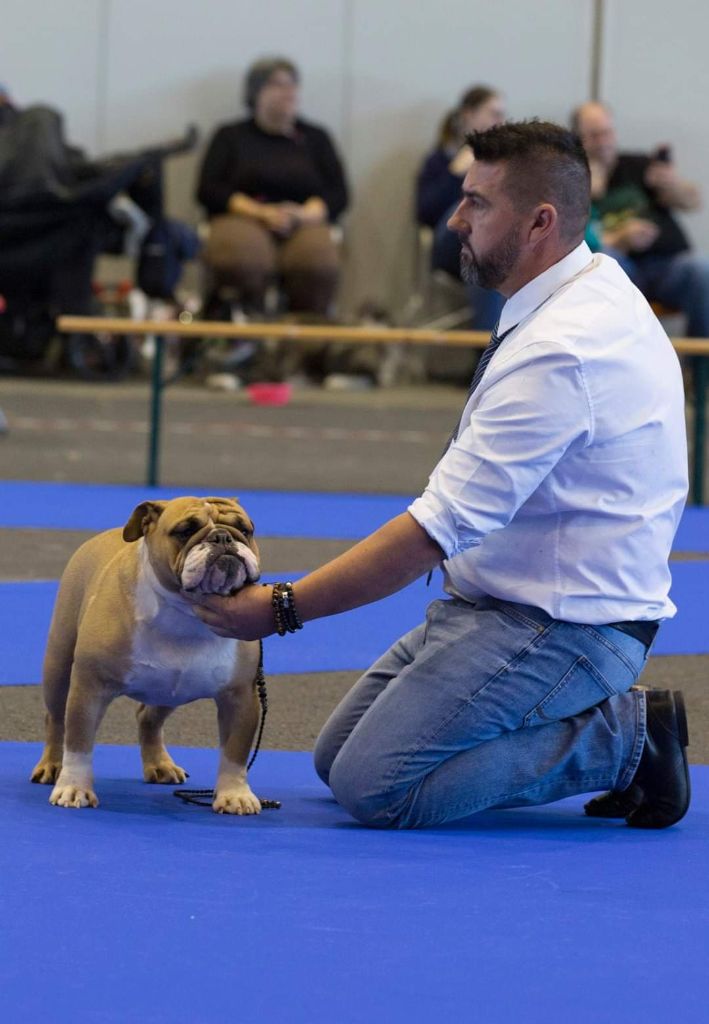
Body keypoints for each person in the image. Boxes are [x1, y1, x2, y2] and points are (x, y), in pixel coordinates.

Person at [188, 120, 690, 832]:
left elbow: (432, 531)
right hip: (503, 603)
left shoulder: (563, 350)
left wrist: (281, 608)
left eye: (477, 204)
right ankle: (590, 727)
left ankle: (622, 740)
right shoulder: (580, 282)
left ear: (539, 221)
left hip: (567, 628)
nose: (455, 218)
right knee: (335, 760)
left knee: (379, 788)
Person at [196, 56, 348, 320]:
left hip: (302, 219)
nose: (288, 92)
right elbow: (208, 189)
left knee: (317, 263)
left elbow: (339, 192)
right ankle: (242, 340)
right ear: (256, 92)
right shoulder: (230, 136)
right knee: (242, 260)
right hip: (244, 215)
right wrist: (260, 212)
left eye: (293, 85)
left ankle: (307, 342)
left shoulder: (316, 138)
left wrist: (304, 214)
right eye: (277, 84)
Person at [572, 101, 709, 336]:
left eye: (607, 132)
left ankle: (703, 367)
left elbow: (693, 202)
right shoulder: (572, 178)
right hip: (622, 268)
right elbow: (574, 241)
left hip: (668, 266)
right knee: (601, 262)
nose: (603, 142)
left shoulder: (638, 165)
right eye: (594, 135)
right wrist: (620, 237)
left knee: (701, 268)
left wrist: (672, 185)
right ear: (577, 138)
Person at [416, 85, 506, 330]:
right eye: (494, 114)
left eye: (503, 115)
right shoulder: (440, 160)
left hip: (491, 242)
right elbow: (425, 213)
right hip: (450, 241)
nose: (501, 122)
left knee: (492, 253)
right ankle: (489, 352)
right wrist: (457, 173)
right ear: (468, 115)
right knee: (483, 241)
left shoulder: (504, 166)